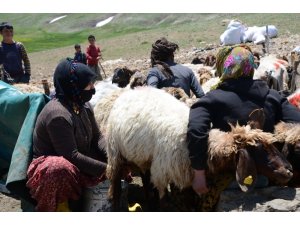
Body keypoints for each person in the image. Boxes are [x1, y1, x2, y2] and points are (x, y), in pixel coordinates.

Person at [187, 45, 300, 210]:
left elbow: (196, 131)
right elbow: (297, 124)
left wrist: (198, 173)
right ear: (251, 67)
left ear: (226, 67)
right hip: (272, 171)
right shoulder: (273, 96)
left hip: (230, 176)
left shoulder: (211, 99)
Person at [26, 59, 107, 212]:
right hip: (53, 172)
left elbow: (97, 138)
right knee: (59, 169)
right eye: (88, 84)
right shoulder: (58, 115)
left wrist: (113, 157)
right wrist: (107, 169)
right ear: (73, 86)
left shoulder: (83, 105)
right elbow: (71, 155)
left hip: (77, 162)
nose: (93, 89)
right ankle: (60, 208)